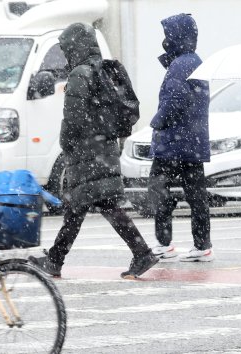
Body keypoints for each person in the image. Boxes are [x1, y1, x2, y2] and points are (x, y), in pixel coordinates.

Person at [28, 23, 158, 279]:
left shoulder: (80, 73)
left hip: (86, 151)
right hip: (104, 148)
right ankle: (139, 253)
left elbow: (73, 118)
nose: (65, 54)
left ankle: (56, 260)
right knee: (93, 206)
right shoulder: (103, 71)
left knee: (82, 206)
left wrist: (66, 145)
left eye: (66, 49)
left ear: (75, 46)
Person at [147, 14, 213, 262]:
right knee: (197, 195)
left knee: (159, 190)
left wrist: (157, 122)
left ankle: (164, 243)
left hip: (174, 142)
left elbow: (176, 99)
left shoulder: (181, 64)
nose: (164, 41)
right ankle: (202, 245)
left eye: (167, 35)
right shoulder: (193, 61)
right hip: (191, 143)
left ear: (176, 37)